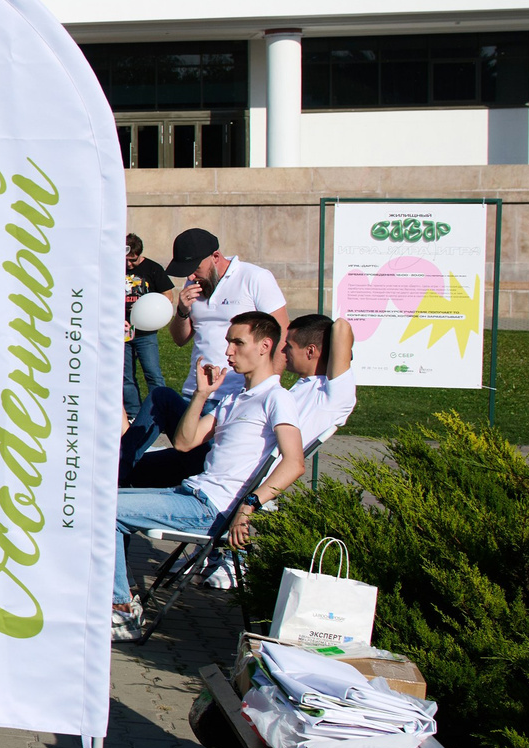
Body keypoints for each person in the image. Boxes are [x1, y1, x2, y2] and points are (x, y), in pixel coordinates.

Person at [112, 309, 303, 638]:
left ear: (264, 346)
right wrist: (202, 395)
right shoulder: (234, 399)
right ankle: (116, 597)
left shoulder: (276, 398)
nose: (228, 351)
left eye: (237, 342)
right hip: (189, 495)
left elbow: (294, 462)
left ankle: (121, 607)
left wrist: (251, 504)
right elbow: (185, 442)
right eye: (228, 342)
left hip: (211, 509)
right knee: (105, 501)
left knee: (107, 510)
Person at [164, 227, 289, 369]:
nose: (190, 277)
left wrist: (270, 384)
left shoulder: (255, 277)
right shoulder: (195, 282)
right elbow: (179, 340)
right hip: (197, 386)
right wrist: (182, 311)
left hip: (240, 386)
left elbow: (282, 334)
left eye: (196, 268)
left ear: (215, 257)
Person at [281, 312, 357, 445]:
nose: (283, 350)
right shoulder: (304, 385)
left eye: (289, 346)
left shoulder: (330, 396)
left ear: (310, 351)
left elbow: (341, 326)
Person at [122, 233, 173, 410]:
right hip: (123, 331)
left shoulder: (152, 268)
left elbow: (168, 295)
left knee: (152, 372)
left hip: (146, 331)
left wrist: (154, 315)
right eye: (125, 260)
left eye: (132, 260)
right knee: (126, 376)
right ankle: (133, 412)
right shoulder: (114, 269)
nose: (128, 264)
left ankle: (161, 410)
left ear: (139, 254)